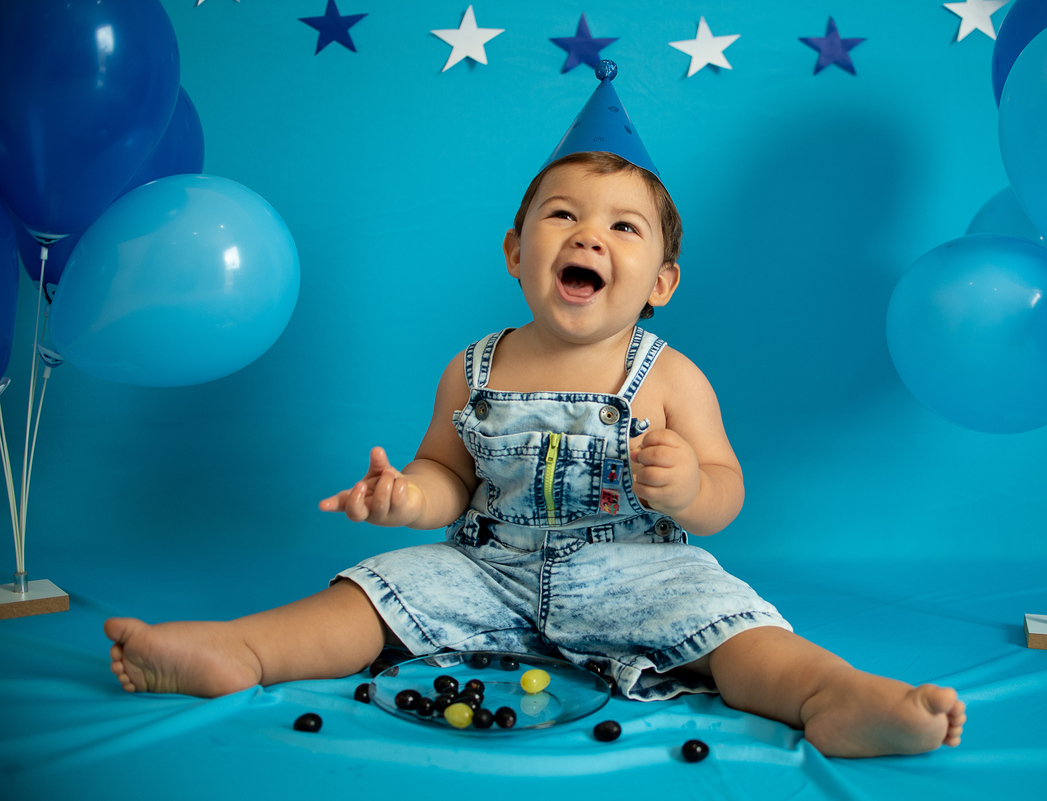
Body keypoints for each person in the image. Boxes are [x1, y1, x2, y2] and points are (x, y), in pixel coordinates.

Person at [104, 62, 965, 759]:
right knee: (374, 594)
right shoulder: (473, 367)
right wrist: (409, 496)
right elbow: (447, 472)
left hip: (636, 570)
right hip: (488, 568)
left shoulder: (670, 376)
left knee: (730, 626)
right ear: (519, 251)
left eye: (625, 228)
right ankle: (239, 649)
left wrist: (687, 484)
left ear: (662, 282)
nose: (589, 236)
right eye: (563, 215)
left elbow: (728, 494)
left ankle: (832, 694)